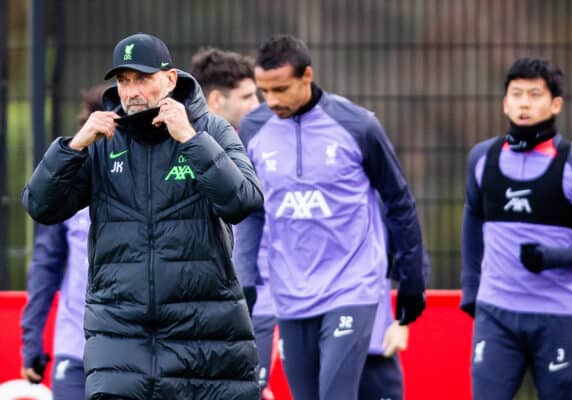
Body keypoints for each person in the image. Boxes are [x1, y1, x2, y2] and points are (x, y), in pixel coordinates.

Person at [21, 32, 263, 400]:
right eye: (123, 81)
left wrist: (190, 139)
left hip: (202, 334)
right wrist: (73, 148)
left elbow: (243, 201)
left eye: (142, 79)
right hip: (119, 337)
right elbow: (40, 206)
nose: (131, 91)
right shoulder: (102, 140)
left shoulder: (210, 129)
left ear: (169, 79)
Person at [234, 34, 427, 400]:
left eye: (281, 89)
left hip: (351, 285)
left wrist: (412, 279)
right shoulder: (254, 128)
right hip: (289, 292)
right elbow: (251, 209)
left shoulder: (359, 126)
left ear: (307, 76)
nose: (271, 100)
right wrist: (245, 276)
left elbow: (399, 202)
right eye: (264, 91)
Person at [461, 57, 572, 400]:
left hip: (555, 314)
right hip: (495, 314)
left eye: (535, 94)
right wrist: (470, 288)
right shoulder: (482, 159)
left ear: (555, 104)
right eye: (517, 94)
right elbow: (473, 218)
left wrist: (554, 257)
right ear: (505, 103)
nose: (525, 103)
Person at [190, 47, 277, 399]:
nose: (258, 105)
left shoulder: (265, 147)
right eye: (247, 96)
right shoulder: (179, 151)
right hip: (199, 307)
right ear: (215, 100)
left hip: (257, 303)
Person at [20, 84, 106, 400]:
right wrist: (32, 340)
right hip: (75, 351)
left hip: (133, 357)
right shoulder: (68, 187)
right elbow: (45, 265)